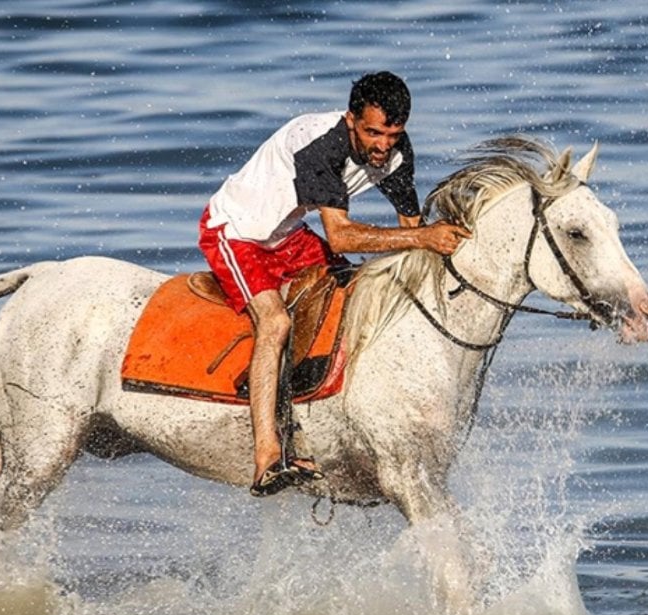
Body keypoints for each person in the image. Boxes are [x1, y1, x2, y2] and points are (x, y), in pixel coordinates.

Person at [197, 71, 471, 497]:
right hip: (236, 233)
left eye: (393, 135)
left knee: (352, 291)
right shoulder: (323, 146)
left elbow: (411, 228)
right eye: (373, 133)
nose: (383, 146)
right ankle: (267, 456)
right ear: (351, 121)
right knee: (275, 324)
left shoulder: (397, 153)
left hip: (288, 236)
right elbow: (342, 236)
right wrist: (424, 238)